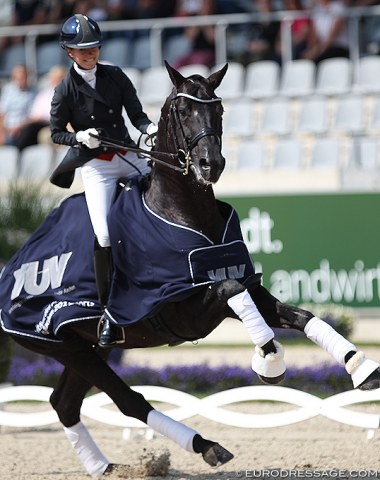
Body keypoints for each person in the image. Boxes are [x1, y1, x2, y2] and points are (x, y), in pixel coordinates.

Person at [49, 14, 158, 347]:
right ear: (69, 52)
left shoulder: (115, 76)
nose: (90, 53)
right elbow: (56, 133)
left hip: (127, 154)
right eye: (83, 50)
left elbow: (136, 114)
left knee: (165, 194)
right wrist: (80, 137)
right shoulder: (66, 89)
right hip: (97, 165)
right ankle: (109, 311)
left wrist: (149, 129)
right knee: (104, 233)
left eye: (93, 47)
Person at [14, 65, 67, 151]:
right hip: (37, 123)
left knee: (34, 131)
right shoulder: (43, 95)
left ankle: (18, 153)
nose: (56, 81)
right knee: (27, 129)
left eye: (59, 78)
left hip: (51, 124)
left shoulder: (67, 94)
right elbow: (34, 115)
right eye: (54, 78)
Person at [0, 64, 36, 146]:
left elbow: (32, 117)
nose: (21, 80)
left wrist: (18, 127)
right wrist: (2, 132)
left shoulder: (33, 93)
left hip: (23, 128)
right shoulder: (8, 90)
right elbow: (2, 113)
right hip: (6, 129)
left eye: (23, 77)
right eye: (19, 78)